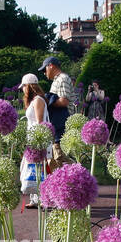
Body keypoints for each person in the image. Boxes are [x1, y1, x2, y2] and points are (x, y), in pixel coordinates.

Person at [21, 73, 48, 207]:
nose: (23, 89)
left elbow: (40, 122)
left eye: (24, 86)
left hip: (38, 139)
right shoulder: (33, 101)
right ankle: (35, 199)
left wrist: (39, 142)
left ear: (29, 86)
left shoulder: (38, 100)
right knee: (33, 168)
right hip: (32, 138)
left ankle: (43, 199)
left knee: (40, 169)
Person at [40, 55, 76, 142]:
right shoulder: (57, 80)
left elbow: (64, 102)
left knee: (59, 153)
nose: (44, 73)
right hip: (60, 123)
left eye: (44, 70)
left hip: (63, 123)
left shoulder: (62, 79)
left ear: (51, 66)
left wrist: (46, 101)